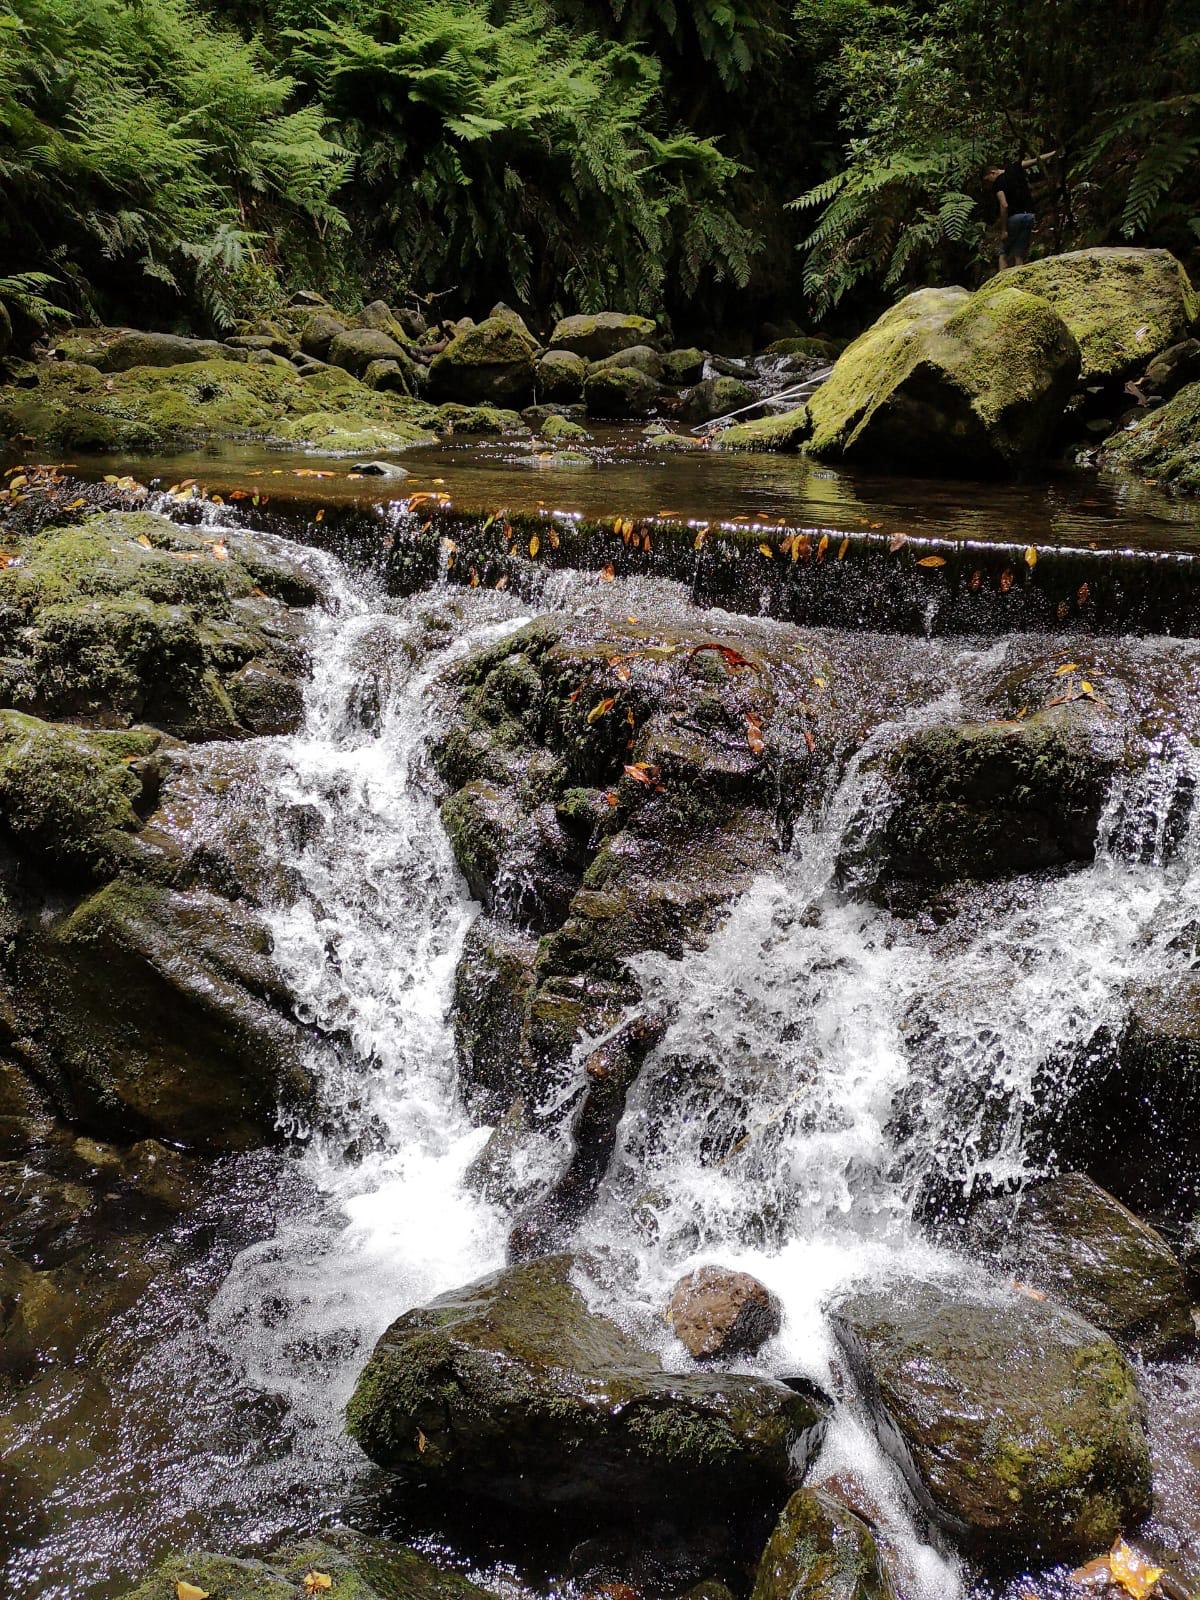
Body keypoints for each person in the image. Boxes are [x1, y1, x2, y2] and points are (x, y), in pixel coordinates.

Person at [990, 158, 1038, 270]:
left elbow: (1004, 204)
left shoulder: (998, 182)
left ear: (993, 173)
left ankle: (1001, 282)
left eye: (988, 180)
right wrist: (1054, 153)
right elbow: (1035, 160)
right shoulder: (1015, 169)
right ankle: (1018, 279)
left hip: (1015, 217)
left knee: (1003, 253)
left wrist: (1004, 230)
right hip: (1029, 216)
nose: (990, 183)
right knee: (1019, 253)